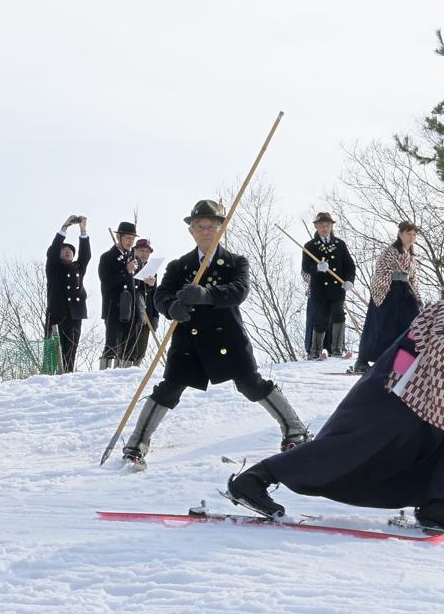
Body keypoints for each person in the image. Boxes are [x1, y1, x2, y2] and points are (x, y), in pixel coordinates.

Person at [226, 254, 444, 530]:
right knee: (352, 446)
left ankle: (434, 503)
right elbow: (440, 346)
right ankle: (255, 478)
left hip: (415, 398)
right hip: (394, 390)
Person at [121, 200, 310, 469]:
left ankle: (294, 429)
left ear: (221, 229)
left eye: (211, 226)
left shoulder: (234, 262)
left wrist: (208, 295)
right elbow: (161, 296)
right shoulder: (179, 266)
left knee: (250, 384)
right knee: (169, 389)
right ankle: (136, 446)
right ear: (191, 231)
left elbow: (239, 290)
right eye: (200, 227)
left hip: (227, 338)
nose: (206, 231)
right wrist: (171, 307)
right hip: (189, 340)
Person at [353, 221, 422, 373]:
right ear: (400, 234)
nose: (411, 237)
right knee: (381, 326)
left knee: (411, 324)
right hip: (388, 292)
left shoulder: (411, 257)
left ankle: (403, 359)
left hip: (405, 293)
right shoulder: (390, 252)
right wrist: (393, 277)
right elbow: (381, 271)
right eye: (408, 234)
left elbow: (414, 278)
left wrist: (418, 297)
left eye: (414, 235)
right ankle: (363, 360)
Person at [300, 212, 358, 360]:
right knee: (320, 319)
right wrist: (317, 268)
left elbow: (350, 266)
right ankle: (315, 351)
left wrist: (349, 280)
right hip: (319, 290)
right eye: (321, 226)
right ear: (316, 227)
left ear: (331, 226)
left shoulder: (340, 244)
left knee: (339, 315)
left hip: (337, 288)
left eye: (327, 225)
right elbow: (306, 267)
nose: (325, 228)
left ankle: (337, 349)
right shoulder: (310, 246)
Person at [44, 215, 91, 373]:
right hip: (57, 314)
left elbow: (86, 255)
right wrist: (64, 228)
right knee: (53, 353)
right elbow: (53, 251)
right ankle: (51, 379)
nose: (67, 252)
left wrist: (83, 231)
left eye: (70, 251)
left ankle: (68, 379)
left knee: (70, 352)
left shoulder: (78, 268)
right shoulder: (53, 267)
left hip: (75, 315)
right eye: (64, 250)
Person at [98, 221, 137, 369]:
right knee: (112, 343)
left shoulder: (132, 258)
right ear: (118, 237)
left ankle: (125, 374)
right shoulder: (107, 257)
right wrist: (125, 271)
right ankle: (105, 373)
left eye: (132, 239)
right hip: (113, 306)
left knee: (129, 343)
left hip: (130, 306)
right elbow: (107, 282)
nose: (130, 242)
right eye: (127, 238)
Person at [128, 237, 160, 365]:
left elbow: (155, 295)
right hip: (133, 313)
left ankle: (137, 369)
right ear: (135, 251)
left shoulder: (152, 270)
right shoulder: (130, 265)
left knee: (142, 348)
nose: (144, 254)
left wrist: (155, 316)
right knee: (130, 348)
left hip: (148, 314)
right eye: (141, 250)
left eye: (147, 251)